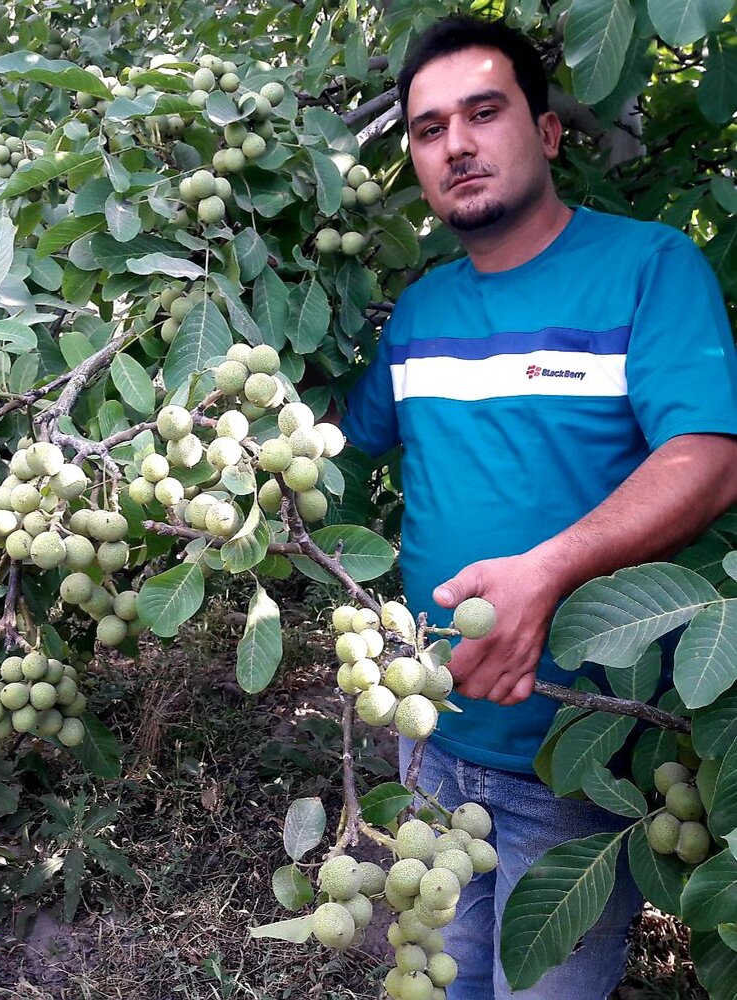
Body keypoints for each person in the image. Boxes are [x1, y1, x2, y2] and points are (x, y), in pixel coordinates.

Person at [337, 14, 737, 1000]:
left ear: (546, 132)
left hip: (571, 758)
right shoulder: (421, 311)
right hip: (425, 740)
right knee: (436, 976)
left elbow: (708, 459)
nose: (455, 144)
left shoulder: (646, 267)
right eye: (428, 129)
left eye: (482, 112)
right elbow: (336, 447)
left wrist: (549, 570)